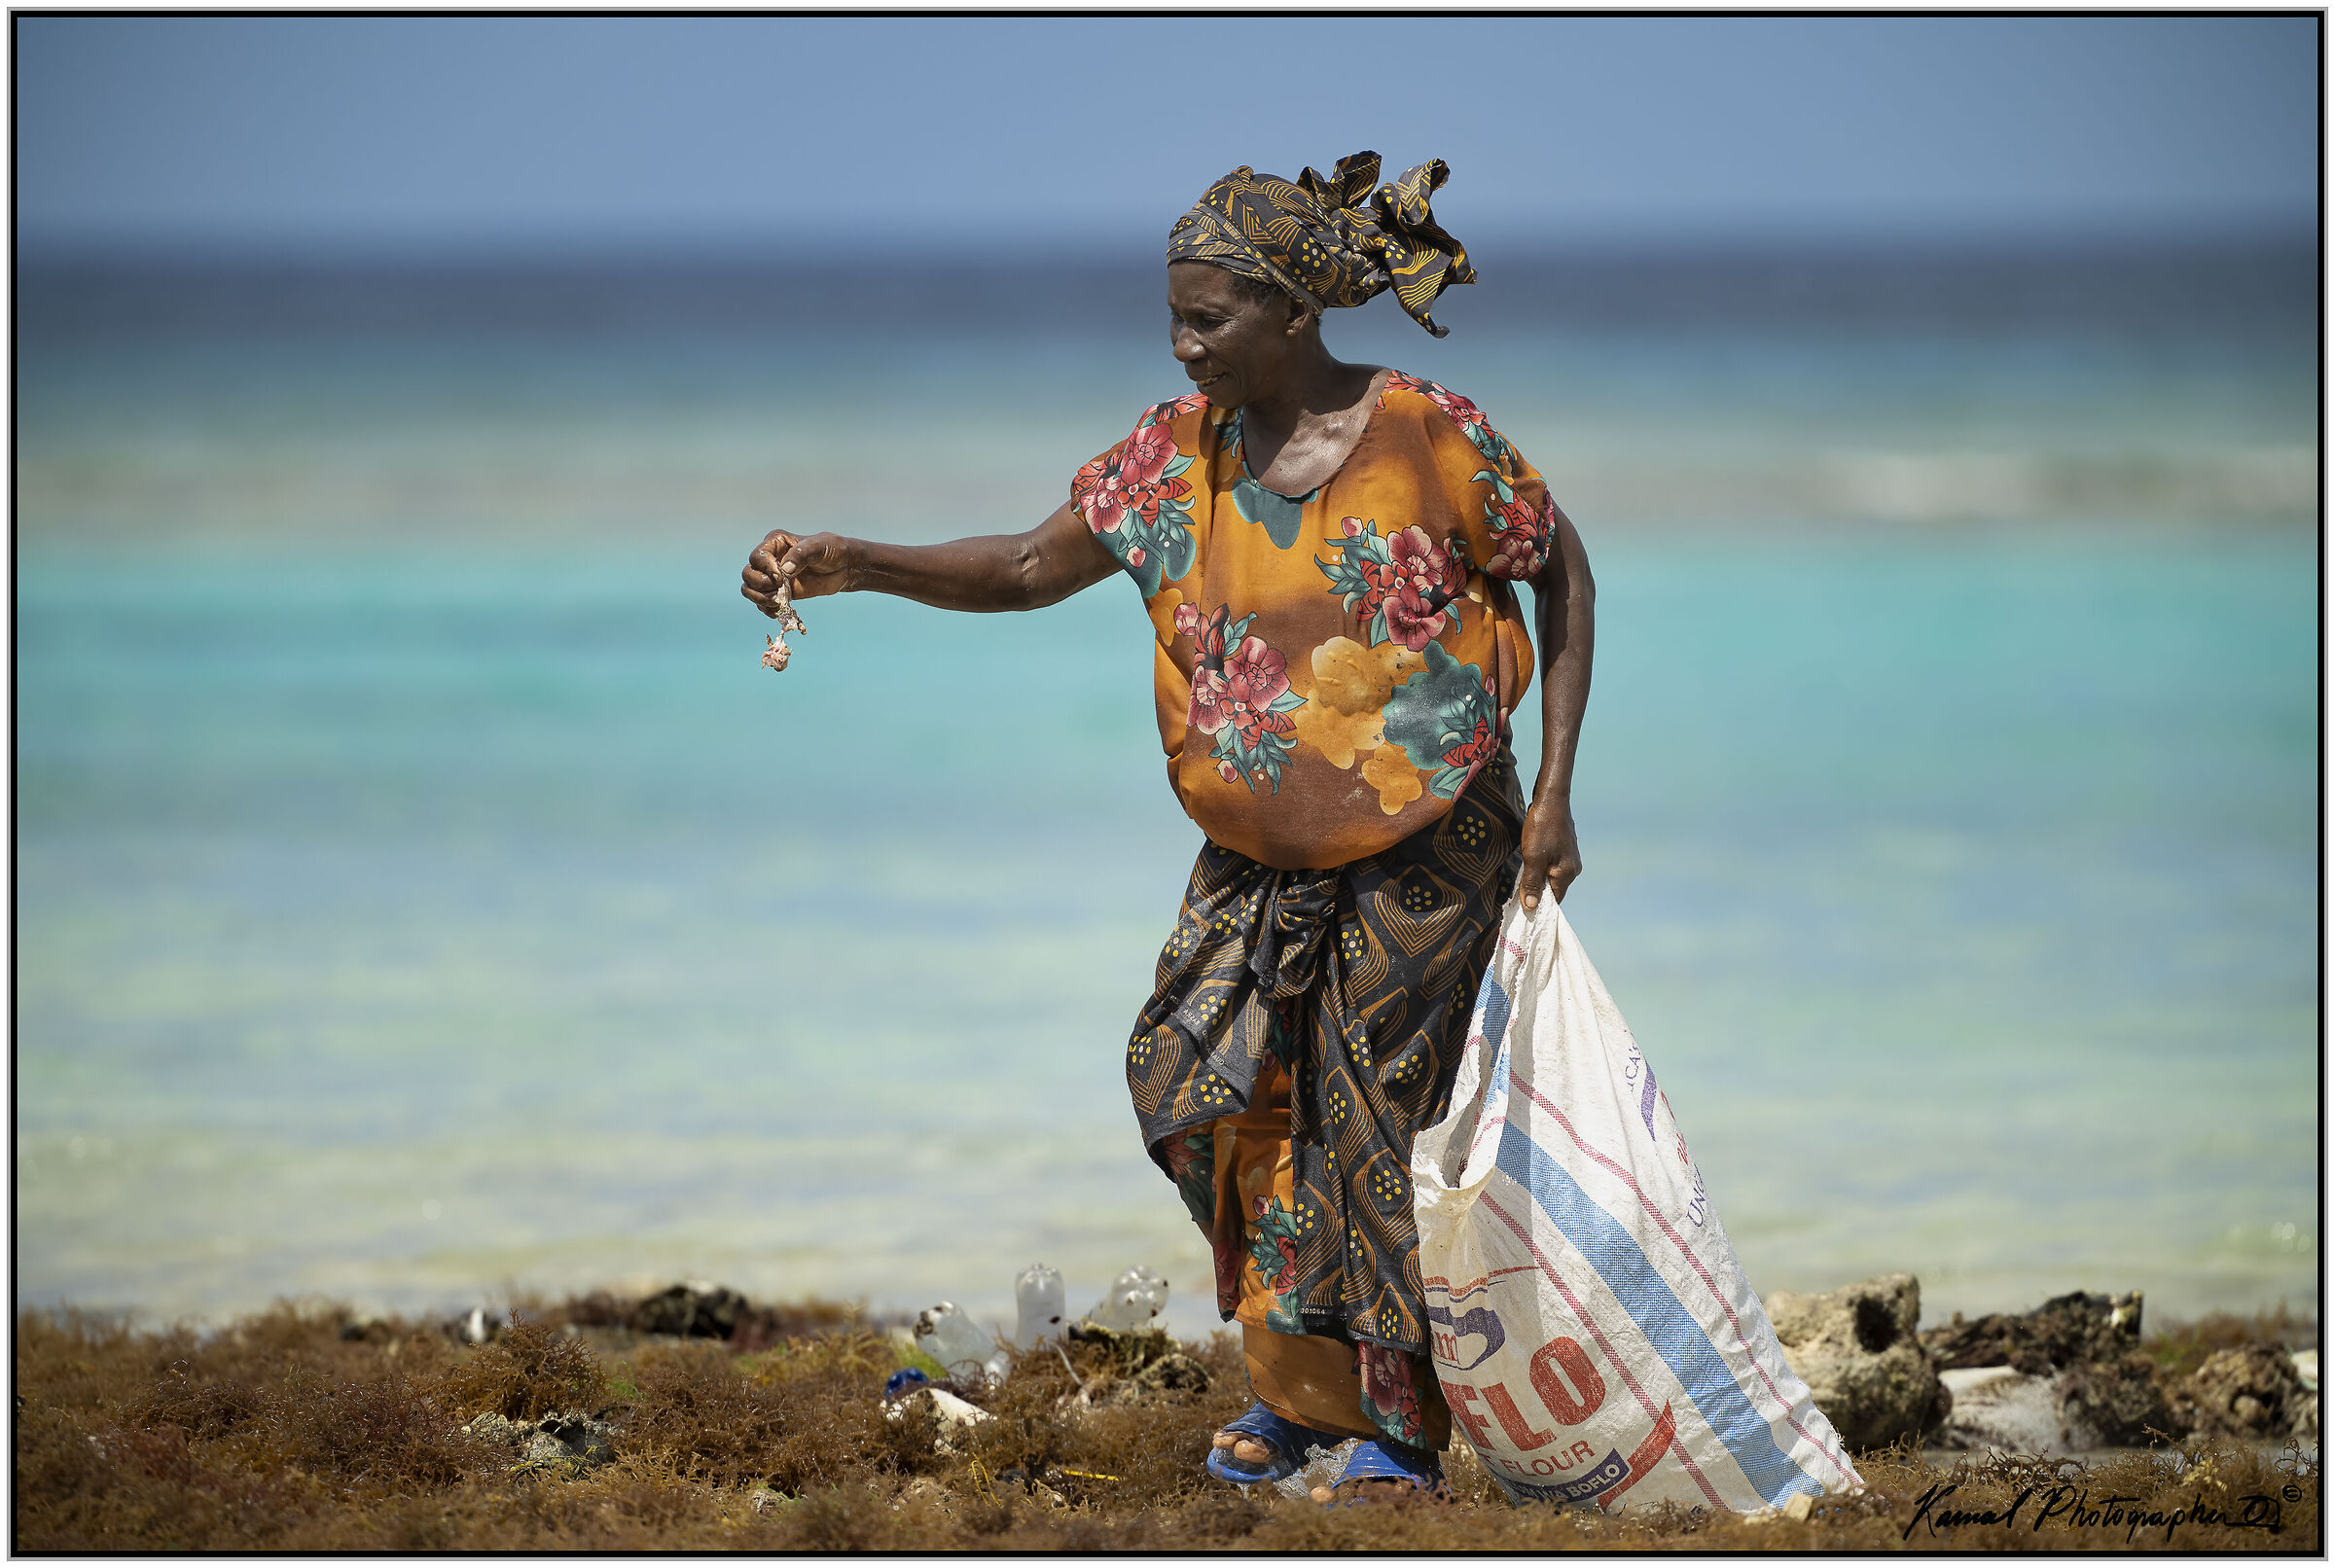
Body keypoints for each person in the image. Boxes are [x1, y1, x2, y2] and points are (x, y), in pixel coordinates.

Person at [741, 152, 1595, 1501]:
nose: (1185, 341)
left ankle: (1403, 1432)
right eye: (1177, 317)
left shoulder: (1425, 430)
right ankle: (1307, 1394)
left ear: (1297, 313)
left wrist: (1551, 792)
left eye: (1211, 319)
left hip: (1434, 844)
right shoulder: (1166, 455)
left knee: (1369, 1121)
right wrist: (857, 566)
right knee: (1195, 1085)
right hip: (1255, 860)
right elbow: (1028, 568)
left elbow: (1560, 566)